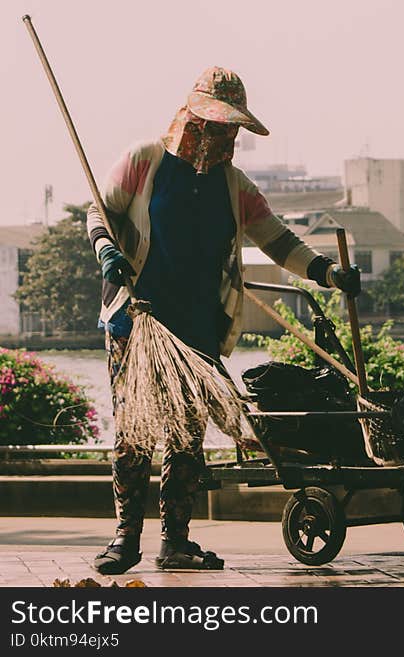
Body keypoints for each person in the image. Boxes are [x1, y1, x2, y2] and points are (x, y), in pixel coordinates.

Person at [89, 67, 360, 575]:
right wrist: (107, 251)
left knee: (187, 435)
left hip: (197, 326)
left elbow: (277, 241)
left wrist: (327, 272)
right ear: (190, 120)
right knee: (134, 428)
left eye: (230, 128)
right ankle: (125, 537)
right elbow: (99, 212)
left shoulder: (234, 186)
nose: (222, 136)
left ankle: (176, 541)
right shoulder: (144, 161)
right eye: (214, 126)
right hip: (136, 320)